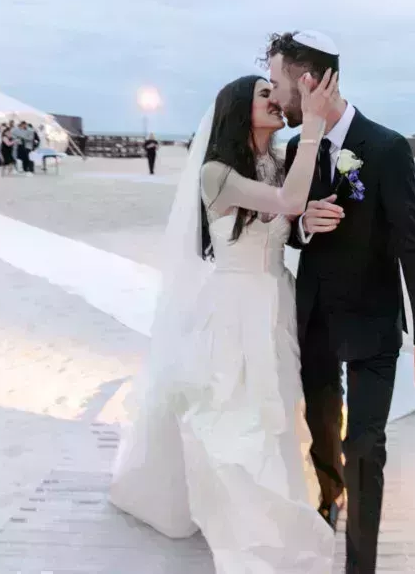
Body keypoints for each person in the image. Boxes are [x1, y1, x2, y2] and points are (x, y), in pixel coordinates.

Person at [110, 71, 340, 573]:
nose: (276, 100)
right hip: (234, 302)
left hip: (276, 296)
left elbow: (291, 217)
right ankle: (239, 514)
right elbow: (286, 202)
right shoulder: (216, 172)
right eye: (264, 94)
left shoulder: (278, 162)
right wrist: (313, 131)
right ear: (239, 108)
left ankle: (277, 496)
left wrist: (311, 218)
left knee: (275, 400)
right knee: (232, 407)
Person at [267, 31, 415, 573]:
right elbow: (286, 225)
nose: (277, 99)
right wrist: (303, 224)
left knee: (365, 447)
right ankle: (328, 501)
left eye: (280, 85)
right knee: (322, 429)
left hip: (373, 324)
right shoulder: (293, 150)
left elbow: (414, 244)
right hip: (316, 319)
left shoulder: (388, 148)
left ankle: (359, 564)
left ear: (308, 82)